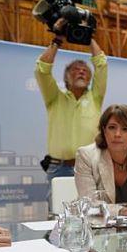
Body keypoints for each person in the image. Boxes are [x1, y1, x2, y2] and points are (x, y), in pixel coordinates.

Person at [35, 30, 107, 186]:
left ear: (90, 78)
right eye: (75, 69)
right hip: (58, 168)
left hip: (90, 167)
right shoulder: (54, 97)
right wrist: (57, 40)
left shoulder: (96, 97)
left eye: (85, 70)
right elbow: (42, 70)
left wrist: (89, 38)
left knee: (92, 210)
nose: (81, 71)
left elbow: (101, 65)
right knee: (57, 210)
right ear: (66, 77)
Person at [74, 104, 127, 217]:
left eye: (125, 129)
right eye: (112, 127)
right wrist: (122, 211)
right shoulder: (86, 155)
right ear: (104, 131)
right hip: (97, 226)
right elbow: (89, 204)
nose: (117, 134)